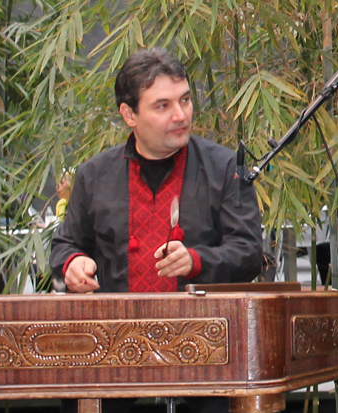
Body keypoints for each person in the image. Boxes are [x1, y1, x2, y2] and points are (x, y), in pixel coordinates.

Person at [50, 48, 263, 412]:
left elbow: (249, 252)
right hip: (111, 360)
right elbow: (65, 244)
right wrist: (72, 263)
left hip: (207, 357)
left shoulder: (224, 166)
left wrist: (197, 260)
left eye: (185, 100)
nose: (180, 115)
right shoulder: (94, 175)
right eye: (162, 106)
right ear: (129, 115)